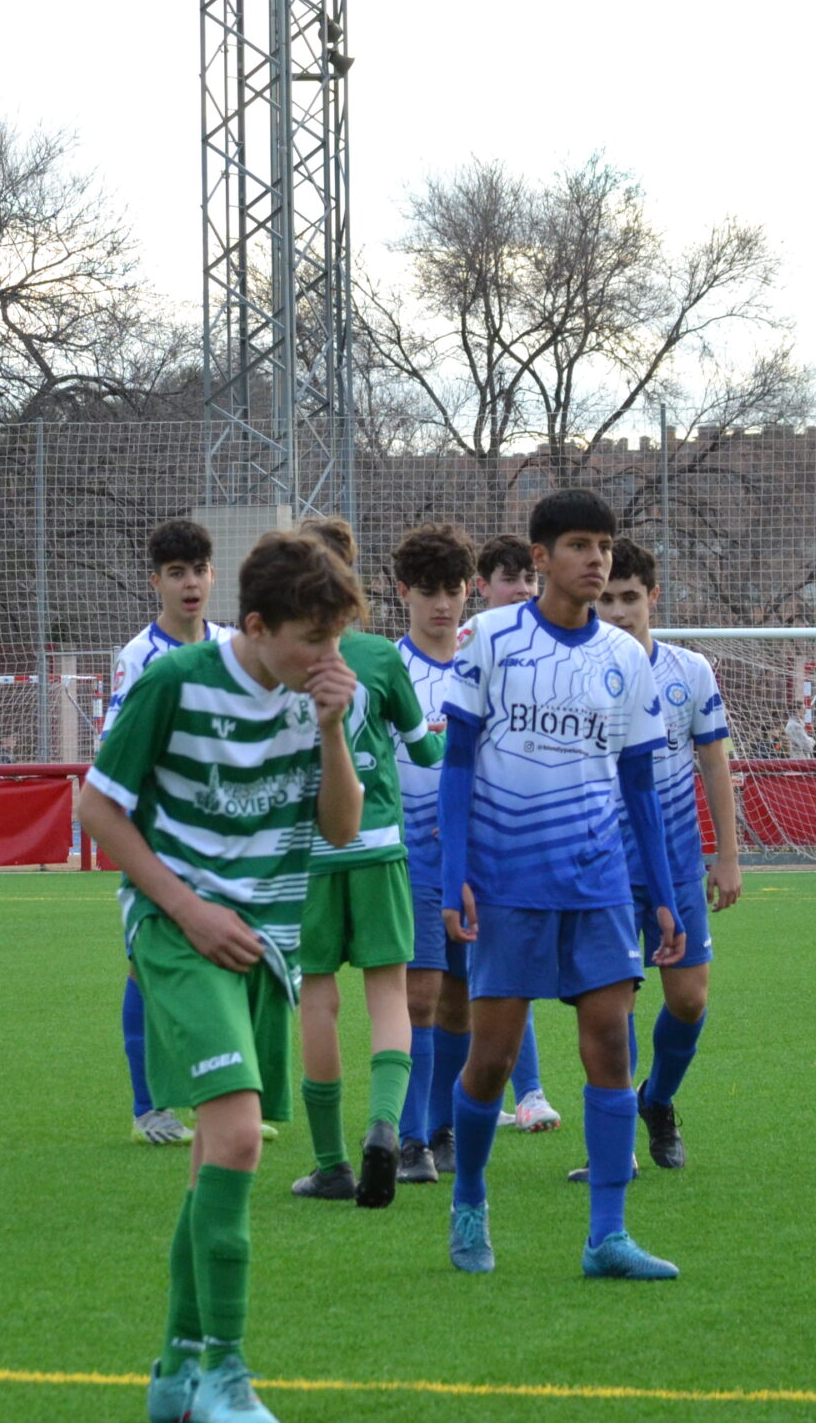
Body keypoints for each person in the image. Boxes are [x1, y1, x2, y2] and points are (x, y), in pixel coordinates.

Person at [76, 531, 363, 1423]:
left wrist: (332, 729)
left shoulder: (322, 697)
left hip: (262, 941)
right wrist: (187, 908)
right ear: (258, 626)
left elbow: (342, 827)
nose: (328, 656)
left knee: (213, 1155)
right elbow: (96, 809)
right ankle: (227, 1377)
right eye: (312, 639)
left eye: (337, 637)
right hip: (176, 930)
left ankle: (175, 1370)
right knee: (239, 1138)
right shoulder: (173, 681)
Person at [438, 488, 686, 1281]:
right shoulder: (490, 638)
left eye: (604, 545)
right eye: (580, 544)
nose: (597, 559)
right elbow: (457, 761)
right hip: (508, 878)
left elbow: (639, 781)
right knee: (492, 1056)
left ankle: (607, 1234)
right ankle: (469, 1197)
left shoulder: (626, 657)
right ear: (540, 557)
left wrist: (662, 891)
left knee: (610, 1043)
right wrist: (453, 874)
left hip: (599, 880)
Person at [285, 517, 445, 1209]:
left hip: (307, 854)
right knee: (388, 995)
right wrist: (452, 739)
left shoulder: (276, 657)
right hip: (377, 844)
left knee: (318, 1000)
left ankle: (331, 1163)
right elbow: (424, 750)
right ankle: (385, 1127)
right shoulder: (380, 657)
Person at [588, 536, 741, 1172]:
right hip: (602, 866)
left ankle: (658, 1100)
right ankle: (616, 1141)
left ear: (653, 597)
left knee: (689, 1000)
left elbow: (714, 764)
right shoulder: (580, 672)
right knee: (613, 1004)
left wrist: (727, 856)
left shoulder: (689, 670)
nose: (619, 611)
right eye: (606, 600)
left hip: (676, 864)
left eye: (630, 597)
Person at [109, 519, 241, 1148]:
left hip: (227, 836)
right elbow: (116, 751)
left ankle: (229, 1102)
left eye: (198, 571)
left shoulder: (234, 646)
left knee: (232, 961)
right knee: (147, 967)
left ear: (213, 575)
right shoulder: (139, 657)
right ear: (155, 581)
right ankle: (149, 1109)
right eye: (176, 573)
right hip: (161, 835)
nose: (190, 584)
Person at [456, 531, 561, 1136]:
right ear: (482, 587)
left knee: (503, 972)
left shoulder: (549, 651)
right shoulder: (473, 643)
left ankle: (528, 1093)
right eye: (510, 579)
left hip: (523, 837)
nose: (523, 589)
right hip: (465, 837)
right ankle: (452, 1110)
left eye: (530, 579)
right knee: (454, 987)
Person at [389, 520, 478, 1185]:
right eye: (428, 590)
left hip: (479, 855)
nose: (442, 604)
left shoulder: (485, 664)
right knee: (419, 996)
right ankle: (410, 1139)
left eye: (452, 589)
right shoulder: (386, 669)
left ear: (468, 590)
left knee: (464, 999)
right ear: (403, 593)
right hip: (412, 850)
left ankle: (444, 1126)